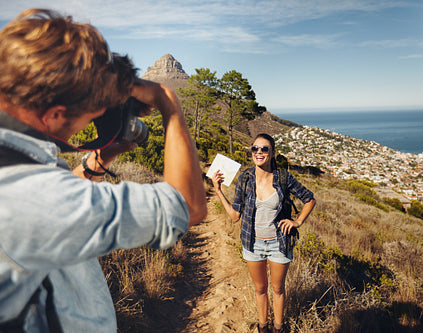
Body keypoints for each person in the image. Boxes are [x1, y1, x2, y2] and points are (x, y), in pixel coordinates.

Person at [0, 9, 207, 331]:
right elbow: (187, 205)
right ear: (54, 115)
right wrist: (169, 104)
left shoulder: (14, 165)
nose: (92, 121)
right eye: (91, 115)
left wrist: (105, 155)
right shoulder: (29, 199)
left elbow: (46, 197)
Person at [211, 133, 316, 333]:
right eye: (255, 149)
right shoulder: (245, 178)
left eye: (264, 149)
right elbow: (235, 216)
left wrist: (298, 221)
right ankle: (263, 328)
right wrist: (218, 191)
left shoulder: (284, 177)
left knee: (277, 290)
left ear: (273, 153)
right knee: (260, 289)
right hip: (253, 244)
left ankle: (278, 328)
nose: (259, 152)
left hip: (279, 244)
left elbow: (309, 199)